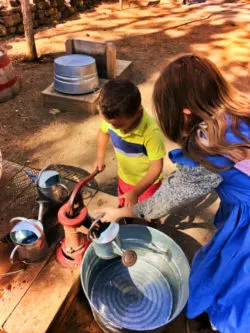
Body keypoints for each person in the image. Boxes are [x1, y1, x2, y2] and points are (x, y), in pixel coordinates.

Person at [97, 55, 250, 333]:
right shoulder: (238, 110)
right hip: (243, 205)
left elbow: (167, 197)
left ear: (185, 112)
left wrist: (120, 212)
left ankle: (218, 322)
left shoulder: (210, 146)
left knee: (235, 279)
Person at [94, 79, 166, 207]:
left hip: (147, 184)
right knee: (125, 205)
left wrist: (136, 192)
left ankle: (149, 221)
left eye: (119, 124)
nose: (113, 127)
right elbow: (103, 132)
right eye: (109, 123)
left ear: (138, 112)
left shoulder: (151, 133)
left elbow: (156, 168)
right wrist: (100, 158)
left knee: (147, 210)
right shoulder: (113, 118)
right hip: (124, 177)